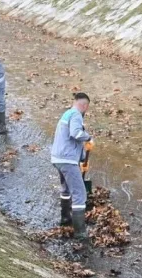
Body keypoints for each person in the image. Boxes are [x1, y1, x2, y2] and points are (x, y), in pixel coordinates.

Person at [50, 93, 93, 239]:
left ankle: (65, 218)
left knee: (66, 189)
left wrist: (81, 158)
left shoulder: (67, 114)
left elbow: (69, 139)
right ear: (85, 106)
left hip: (58, 158)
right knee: (80, 194)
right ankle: (80, 233)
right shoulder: (76, 115)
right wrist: (89, 137)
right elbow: (75, 133)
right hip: (67, 160)